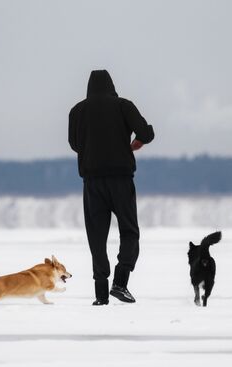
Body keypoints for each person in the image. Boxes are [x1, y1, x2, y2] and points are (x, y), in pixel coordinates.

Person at [68, 70, 155, 305]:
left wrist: (93, 147)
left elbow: (74, 144)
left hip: (92, 183)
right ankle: (121, 281)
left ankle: (100, 294)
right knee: (129, 231)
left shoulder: (77, 111)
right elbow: (146, 133)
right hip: (120, 180)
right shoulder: (123, 105)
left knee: (96, 238)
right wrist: (134, 143)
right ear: (111, 85)